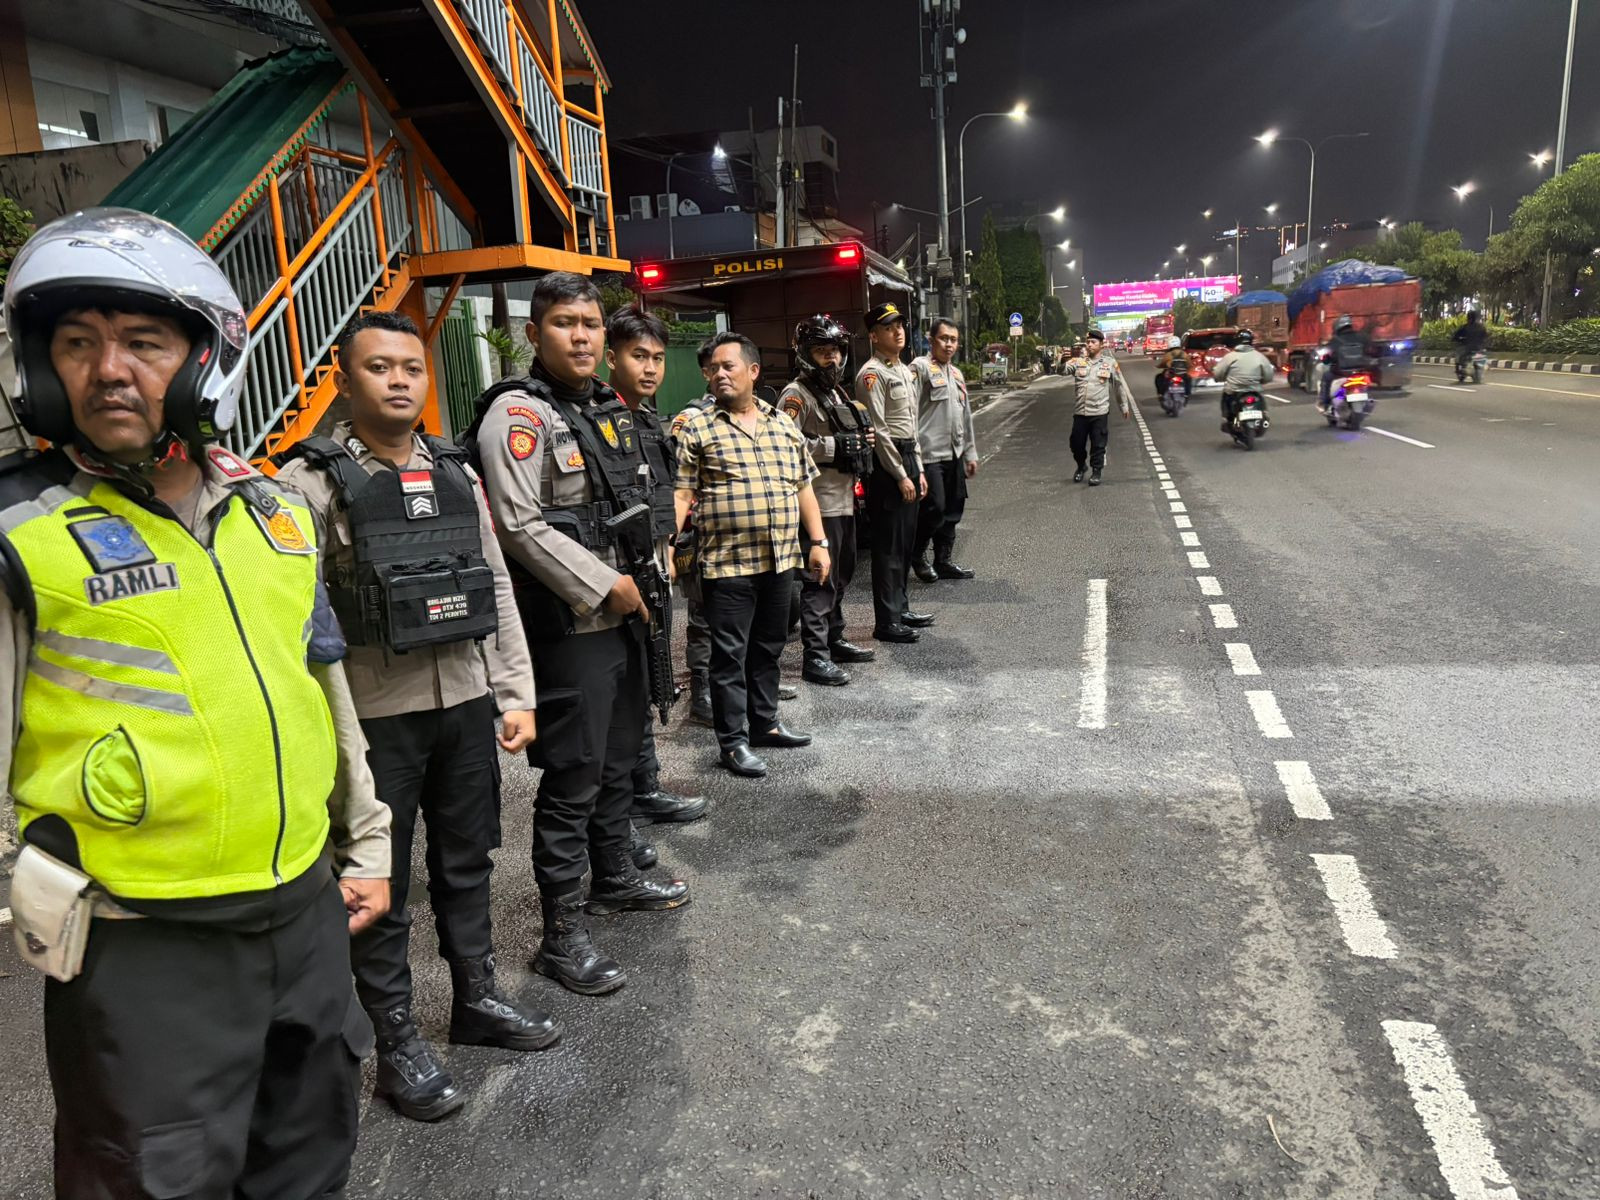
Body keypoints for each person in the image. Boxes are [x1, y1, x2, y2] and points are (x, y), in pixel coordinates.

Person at [0, 208, 391, 1195]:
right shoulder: (22, 532)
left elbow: (325, 691)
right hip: (141, 953)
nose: (107, 370)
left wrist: (373, 842)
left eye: (142, 342)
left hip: (305, 915)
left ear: (203, 359)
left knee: (310, 1164)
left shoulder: (275, 511)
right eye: (76, 345)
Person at [274, 310, 556, 1122]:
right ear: (343, 375)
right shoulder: (310, 483)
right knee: (382, 882)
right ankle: (397, 1040)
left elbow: (494, 582)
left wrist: (517, 692)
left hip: (464, 700)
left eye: (412, 367)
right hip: (372, 717)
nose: (399, 380)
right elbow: (301, 622)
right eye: (379, 367)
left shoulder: (456, 470)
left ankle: (478, 1000)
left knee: (469, 861)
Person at [465, 272, 689, 999]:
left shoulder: (605, 411)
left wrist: (651, 576)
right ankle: (560, 935)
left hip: (625, 613)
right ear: (535, 334)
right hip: (572, 625)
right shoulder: (519, 416)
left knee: (622, 758)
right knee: (574, 776)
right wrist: (608, 585)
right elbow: (518, 523)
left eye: (591, 322)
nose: (583, 335)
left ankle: (615, 876)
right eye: (565, 322)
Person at [674, 332, 830, 778]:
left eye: (729, 366)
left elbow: (804, 488)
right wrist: (667, 544)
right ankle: (733, 741)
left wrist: (818, 543)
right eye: (713, 369)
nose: (719, 374)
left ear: (753, 371)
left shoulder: (783, 425)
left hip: (780, 560)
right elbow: (683, 493)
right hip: (727, 564)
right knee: (729, 655)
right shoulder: (699, 427)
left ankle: (765, 725)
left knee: (768, 647)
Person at [602, 305, 708, 839]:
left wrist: (668, 553)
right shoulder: (599, 418)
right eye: (637, 356)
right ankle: (631, 797)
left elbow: (661, 496)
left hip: (653, 569)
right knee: (625, 692)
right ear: (610, 357)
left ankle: (644, 786)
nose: (649, 368)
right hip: (614, 579)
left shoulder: (647, 418)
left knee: (648, 680)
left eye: (658, 358)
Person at [779, 314, 876, 686]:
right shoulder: (795, 395)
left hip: (845, 500)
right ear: (805, 355)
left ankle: (834, 639)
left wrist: (861, 441)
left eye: (834, 350)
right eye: (821, 352)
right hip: (818, 505)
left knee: (843, 573)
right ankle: (815, 656)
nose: (831, 359)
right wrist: (835, 446)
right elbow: (787, 444)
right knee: (820, 581)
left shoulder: (836, 392)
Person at [855, 302, 934, 642]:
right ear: (874, 336)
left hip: (907, 458)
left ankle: (900, 608)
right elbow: (880, 431)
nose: (898, 331)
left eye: (899, 325)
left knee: (904, 541)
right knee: (887, 546)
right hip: (887, 465)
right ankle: (886, 621)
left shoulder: (903, 370)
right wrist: (901, 474)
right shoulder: (871, 374)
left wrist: (917, 468)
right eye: (889, 327)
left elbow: (911, 426)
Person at [669, 341, 720, 724]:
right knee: (703, 614)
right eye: (716, 367)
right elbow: (677, 481)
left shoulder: (753, 415)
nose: (724, 373)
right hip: (701, 533)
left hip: (741, 535)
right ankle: (702, 687)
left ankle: (741, 680)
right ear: (705, 372)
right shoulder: (691, 417)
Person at [911, 317, 979, 583]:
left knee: (953, 508)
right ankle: (917, 555)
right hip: (929, 454)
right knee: (935, 508)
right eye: (944, 338)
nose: (949, 344)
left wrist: (970, 453)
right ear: (931, 340)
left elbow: (966, 417)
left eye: (953, 340)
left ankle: (944, 560)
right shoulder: (920, 368)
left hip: (955, 454)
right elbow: (909, 411)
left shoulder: (957, 374)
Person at [1065, 328, 1133, 485]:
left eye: (1093, 342)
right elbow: (1063, 370)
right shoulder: (1078, 362)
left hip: (1099, 412)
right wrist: (1061, 362)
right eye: (1088, 342)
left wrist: (1124, 406)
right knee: (1076, 444)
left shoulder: (1109, 364)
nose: (1089, 345)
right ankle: (1081, 466)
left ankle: (1096, 472)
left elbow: (1119, 386)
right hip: (1080, 411)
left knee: (1098, 445)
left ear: (1101, 345)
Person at [1209, 329, 1276, 430]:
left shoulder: (1230, 357)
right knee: (1261, 401)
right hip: (1254, 389)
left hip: (1234, 390)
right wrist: (1261, 381)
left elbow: (1218, 373)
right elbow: (1268, 375)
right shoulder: (1259, 357)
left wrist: (1218, 378)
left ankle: (1226, 420)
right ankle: (1264, 416)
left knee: (1226, 400)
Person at [1320, 315, 1370, 412]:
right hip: (1360, 371)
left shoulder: (1335, 341)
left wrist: (1327, 360)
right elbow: (1370, 350)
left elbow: (1328, 356)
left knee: (1326, 377)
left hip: (1340, 373)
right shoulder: (1362, 337)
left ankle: (1325, 403)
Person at [1453, 310, 1489, 382]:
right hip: (1480, 349)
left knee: (1460, 356)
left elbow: (1455, 336)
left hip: (1469, 349)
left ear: (1468, 318)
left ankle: (1464, 368)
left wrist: (1459, 339)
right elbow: (1486, 336)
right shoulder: (1482, 327)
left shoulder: (1465, 327)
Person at [1154, 336, 1191, 402]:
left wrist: (1158, 366)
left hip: (1171, 374)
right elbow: (1189, 364)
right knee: (1188, 379)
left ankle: (1161, 394)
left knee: (1159, 378)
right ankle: (1187, 394)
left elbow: (1163, 364)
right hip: (1182, 375)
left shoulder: (1168, 354)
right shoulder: (1184, 354)